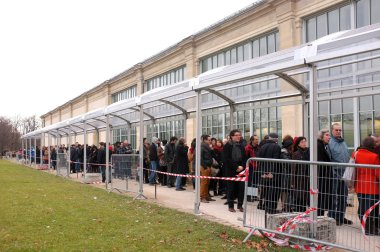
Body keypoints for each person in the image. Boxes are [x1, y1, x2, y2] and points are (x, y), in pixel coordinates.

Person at [354, 137, 380, 235]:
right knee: (370, 209)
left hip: (359, 185)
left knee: (362, 206)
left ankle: (364, 225)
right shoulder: (374, 156)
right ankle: (369, 229)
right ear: (372, 145)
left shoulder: (355, 154)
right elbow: (378, 173)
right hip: (372, 187)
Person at [328, 123, 352, 226]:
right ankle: (332, 217)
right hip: (335, 173)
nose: (338, 132)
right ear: (332, 131)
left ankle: (340, 216)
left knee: (343, 196)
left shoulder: (343, 142)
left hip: (344, 173)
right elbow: (329, 159)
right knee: (334, 197)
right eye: (336, 130)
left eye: (340, 130)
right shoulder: (330, 143)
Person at [256, 133, 281, 214]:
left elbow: (259, 160)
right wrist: (271, 172)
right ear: (276, 139)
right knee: (273, 191)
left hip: (263, 173)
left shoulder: (263, 146)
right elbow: (275, 160)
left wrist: (263, 172)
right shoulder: (276, 147)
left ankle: (266, 207)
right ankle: (271, 209)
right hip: (272, 173)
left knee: (266, 190)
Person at [223, 129, 246, 212]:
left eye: (239, 135)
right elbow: (227, 159)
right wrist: (236, 167)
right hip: (231, 170)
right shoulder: (227, 146)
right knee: (231, 188)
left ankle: (240, 205)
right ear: (232, 136)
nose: (238, 136)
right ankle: (231, 206)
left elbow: (244, 158)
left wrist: (242, 166)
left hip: (241, 170)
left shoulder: (241, 145)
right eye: (236, 135)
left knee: (241, 188)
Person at [317, 129, 333, 217]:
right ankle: (319, 218)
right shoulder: (319, 146)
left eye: (329, 135)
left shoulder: (322, 146)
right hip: (321, 179)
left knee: (322, 200)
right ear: (321, 136)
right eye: (327, 135)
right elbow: (319, 163)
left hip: (323, 178)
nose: (329, 137)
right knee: (320, 200)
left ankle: (320, 217)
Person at [291, 136, 310, 212]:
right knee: (300, 200)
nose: (304, 143)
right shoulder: (296, 154)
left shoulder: (309, 152)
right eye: (302, 142)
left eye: (305, 141)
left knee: (308, 199)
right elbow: (294, 169)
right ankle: (300, 215)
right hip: (300, 180)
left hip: (308, 178)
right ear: (298, 144)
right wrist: (293, 182)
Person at [280, 135, 294, 212]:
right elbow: (288, 164)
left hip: (287, 176)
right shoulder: (284, 153)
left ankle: (287, 206)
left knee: (288, 191)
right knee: (285, 191)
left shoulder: (287, 153)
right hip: (285, 176)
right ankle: (284, 206)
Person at [245, 134, 259, 202]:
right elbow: (246, 157)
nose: (257, 140)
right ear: (252, 140)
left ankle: (254, 196)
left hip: (257, 166)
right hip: (250, 166)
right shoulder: (248, 148)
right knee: (250, 182)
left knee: (255, 181)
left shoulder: (258, 147)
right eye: (256, 139)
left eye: (257, 139)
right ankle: (248, 197)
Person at [200, 135, 214, 203]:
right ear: (204, 140)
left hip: (208, 166)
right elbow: (200, 158)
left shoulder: (207, 147)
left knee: (207, 182)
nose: (210, 141)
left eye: (210, 140)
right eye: (209, 140)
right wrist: (205, 167)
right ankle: (202, 197)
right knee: (204, 182)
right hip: (204, 166)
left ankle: (206, 196)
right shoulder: (202, 147)